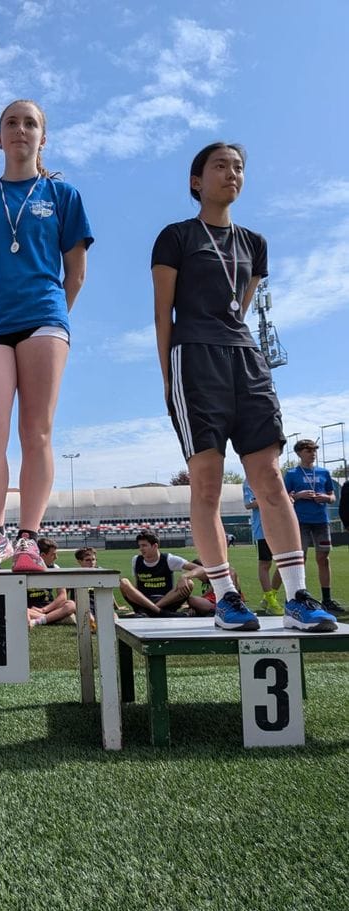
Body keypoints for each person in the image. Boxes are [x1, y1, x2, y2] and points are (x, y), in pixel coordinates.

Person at [151, 142, 336, 633]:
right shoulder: (175, 237)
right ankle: (227, 597)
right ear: (196, 181)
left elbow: (241, 303)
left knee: (270, 478)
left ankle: (297, 596)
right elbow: (163, 313)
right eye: (220, 166)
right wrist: (169, 379)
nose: (231, 173)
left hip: (246, 359)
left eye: (238, 167)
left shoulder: (255, 243)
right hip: (194, 358)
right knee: (208, 483)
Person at [0, 99, 93, 574]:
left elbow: (75, 272)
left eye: (30, 123)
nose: (20, 129)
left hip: (44, 319)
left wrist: (52, 317)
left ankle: (28, 538)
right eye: (11, 122)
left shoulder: (64, 195)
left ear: (42, 137)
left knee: (38, 432)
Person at [284, 439, 344, 613]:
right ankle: (299, 598)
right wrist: (299, 495)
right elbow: (286, 498)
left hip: (321, 521)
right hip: (300, 522)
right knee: (299, 560)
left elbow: (332, 496)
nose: (313, 453)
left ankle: (327, 600)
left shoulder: (324, 472)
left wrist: (325, 498)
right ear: (299, 453)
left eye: (314, 450)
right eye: (308, 450)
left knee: (323, 559)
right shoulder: (291, 473)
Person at [118, 532, 204, 617]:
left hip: (166, 601)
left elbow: (201, 568)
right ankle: (161, 612)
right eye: (139, 546)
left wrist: (185, 576)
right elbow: (137, 585)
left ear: (155, 546)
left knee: (189, 583)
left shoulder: (169, 559)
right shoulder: (136, 560)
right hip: (144, 601)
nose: (141, 549)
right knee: (124, 582)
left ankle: (151, 611)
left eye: (144, 545)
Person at [243, 478, 283, 615]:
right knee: (265, 564)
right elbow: (249, 504)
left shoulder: (276, 477)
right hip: (263, 529)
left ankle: (269, 597)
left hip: (281, 527)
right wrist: (270, 499)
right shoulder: (249, 481)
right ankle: (271, 601)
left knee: (286, 563)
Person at [26, 538, 77, 627]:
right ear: (42, 555)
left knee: (71, 605)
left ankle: (39, 620)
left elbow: (62, 596)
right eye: (53, 554)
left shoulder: (55, 568)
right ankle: (54, 618)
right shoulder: (26, 569)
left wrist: (44, 610)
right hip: (30, 609)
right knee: (20, 610)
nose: (56, 557)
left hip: (49, 608)